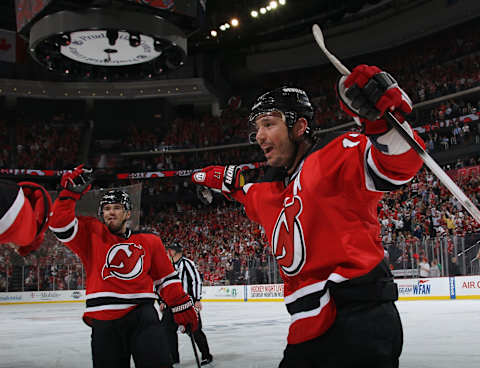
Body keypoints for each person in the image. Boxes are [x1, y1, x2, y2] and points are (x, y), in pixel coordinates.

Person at [192, 65, 425, 367]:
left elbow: (397, 166)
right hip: (305, 333)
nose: (259, 136)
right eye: (256, 128)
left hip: (360, 320)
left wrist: (385, 124)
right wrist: (220, 181)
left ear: (299, 126)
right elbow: (243, 191)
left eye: (268, 123)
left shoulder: (337, 154)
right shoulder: (270, 193)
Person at [48, 165, 198, 368]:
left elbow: (166, 279)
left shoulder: (149, 240)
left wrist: (181, 305)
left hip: (143, 316)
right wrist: (68, 196)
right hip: (104, 320)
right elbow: (58, 224)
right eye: (107, 209)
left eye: (117, 208)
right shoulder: (90, 234)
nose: (111, 213)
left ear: (128, 213)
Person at [161, 242, 213, 366]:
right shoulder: (167, 265)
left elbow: (196, 280)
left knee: (195, 330)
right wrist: (162, 301)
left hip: (187, 304)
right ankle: (173, 358)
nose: (168, 252)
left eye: (170, 250)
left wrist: (197, 299)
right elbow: (164, 284)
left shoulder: (187, 263)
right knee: (167, 330)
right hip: (171, 304)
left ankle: (206, 355)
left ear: (176, 251)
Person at [0, 180, 52, 256]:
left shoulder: (33, 221)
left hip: (14, 191)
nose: (11, 247)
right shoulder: (26, 238)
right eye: (15, 248)